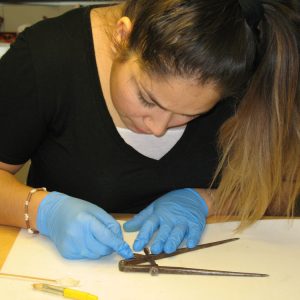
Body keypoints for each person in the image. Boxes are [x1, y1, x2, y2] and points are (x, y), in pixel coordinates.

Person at [0, 0, 299, 260]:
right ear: (122, 35)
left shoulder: (251, 64)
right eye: (147, 99)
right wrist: (43, 211)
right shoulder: (46, 58)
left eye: (188, 114)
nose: (157, 129)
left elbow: (285, 188)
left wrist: (205, 201)